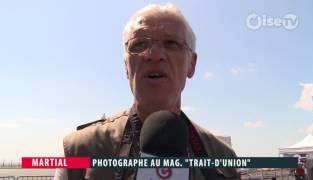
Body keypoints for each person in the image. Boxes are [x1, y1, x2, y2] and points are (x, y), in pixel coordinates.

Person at [55, 3, 239, 180]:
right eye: (139, 44)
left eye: (171, 43)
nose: (154, 55)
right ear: (126, 66)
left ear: (191, 63)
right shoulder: (79, 150)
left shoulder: (223, 159)